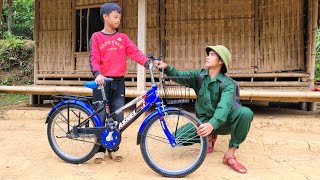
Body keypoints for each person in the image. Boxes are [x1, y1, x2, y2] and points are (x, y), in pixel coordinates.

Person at [156, 45, 254, 174]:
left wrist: (212, 124)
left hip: (224, 122)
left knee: (245, 113)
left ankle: (230, 154)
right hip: (202, 121)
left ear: (221, 61)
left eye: (212, 55)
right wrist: (167, 68)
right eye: (208, 54)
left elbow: (223, 107)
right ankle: (209, 136)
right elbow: (180, 75)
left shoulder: (228, 83)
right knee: (177, 138)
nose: (208, 57)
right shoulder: (199, 76)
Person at [89, 2, 150, 164]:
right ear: (105, 17)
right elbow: (94, 58)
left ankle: (113, 147)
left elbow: (134, 52)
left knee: (118, 115)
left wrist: (147, 63)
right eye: (115, 17)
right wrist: (97, 74)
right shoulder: (96, 37)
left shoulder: (122, 38)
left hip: (118, 82)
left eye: (119, 18)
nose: (118, 20)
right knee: (100, 115)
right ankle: (99, 149)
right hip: (102, 82)